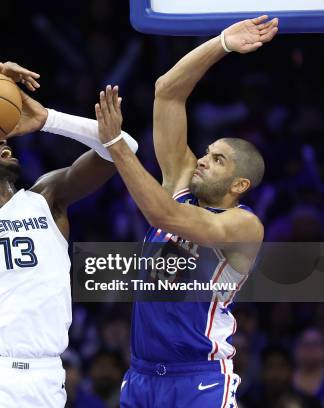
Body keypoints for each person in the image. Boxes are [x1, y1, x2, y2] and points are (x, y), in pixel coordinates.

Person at [93, 16, 278, 407]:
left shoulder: (243, 225)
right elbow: (168, 93)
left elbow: (165, 217)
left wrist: (116, 144)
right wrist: (223, 43)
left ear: (239, 185)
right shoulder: (181, 182)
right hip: (142, 375)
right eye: (207, 153)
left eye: (218, 159)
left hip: (200, 377)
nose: (203, 160)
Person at [0, 62, 139, 407]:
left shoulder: (47, 198)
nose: (0, 140)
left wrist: (49, 120)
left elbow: (124, 148)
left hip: (46, 375)